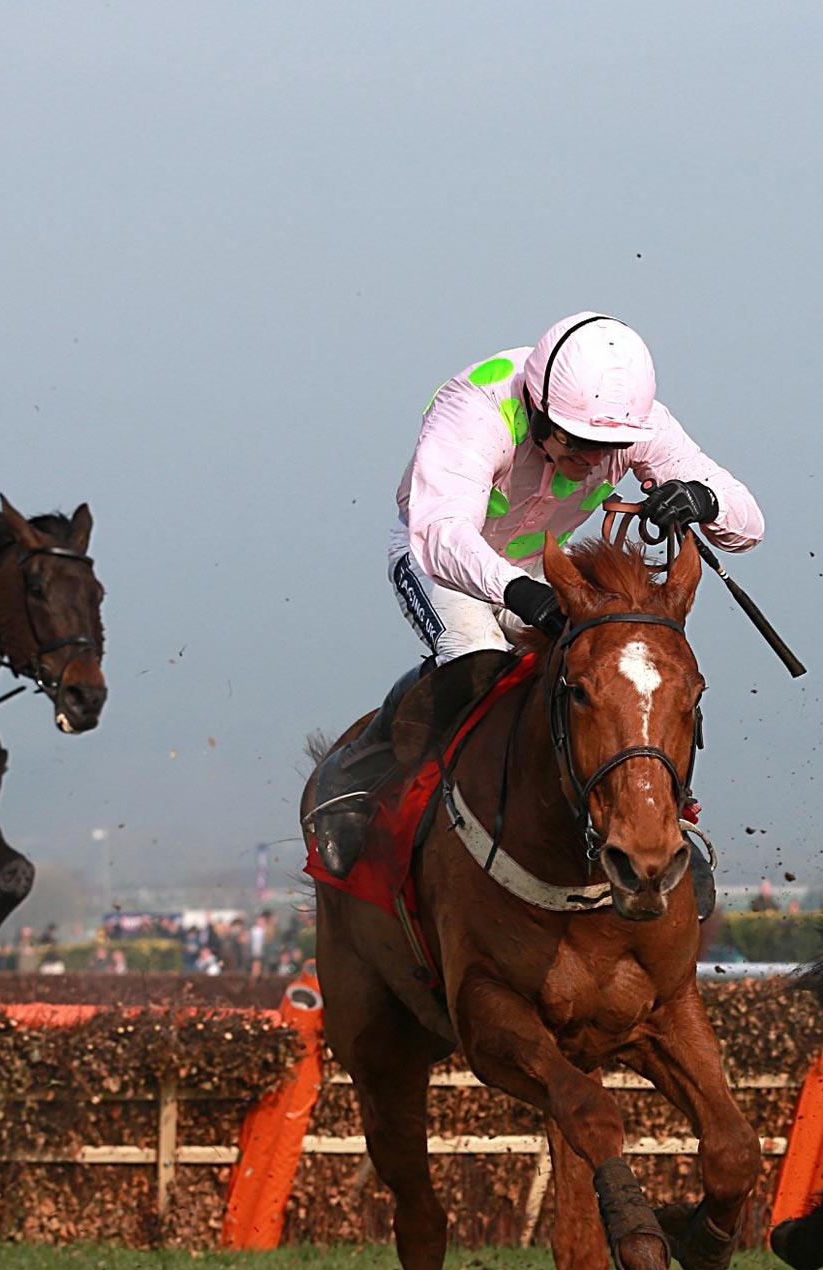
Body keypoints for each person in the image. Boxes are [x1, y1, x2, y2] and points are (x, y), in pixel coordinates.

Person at [310, 312, 764, 878]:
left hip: (538, 569)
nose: (593, 460)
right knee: (479, 661)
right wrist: (521, 594)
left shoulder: (640, 422)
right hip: (442, 558)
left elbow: (749, 523)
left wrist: (702, 498)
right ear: (539, 407)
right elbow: (442, 534)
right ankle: (357, 772)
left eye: (609, 447)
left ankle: (663, 818)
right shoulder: (475, 409)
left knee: (615, 673)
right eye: (578, 443)